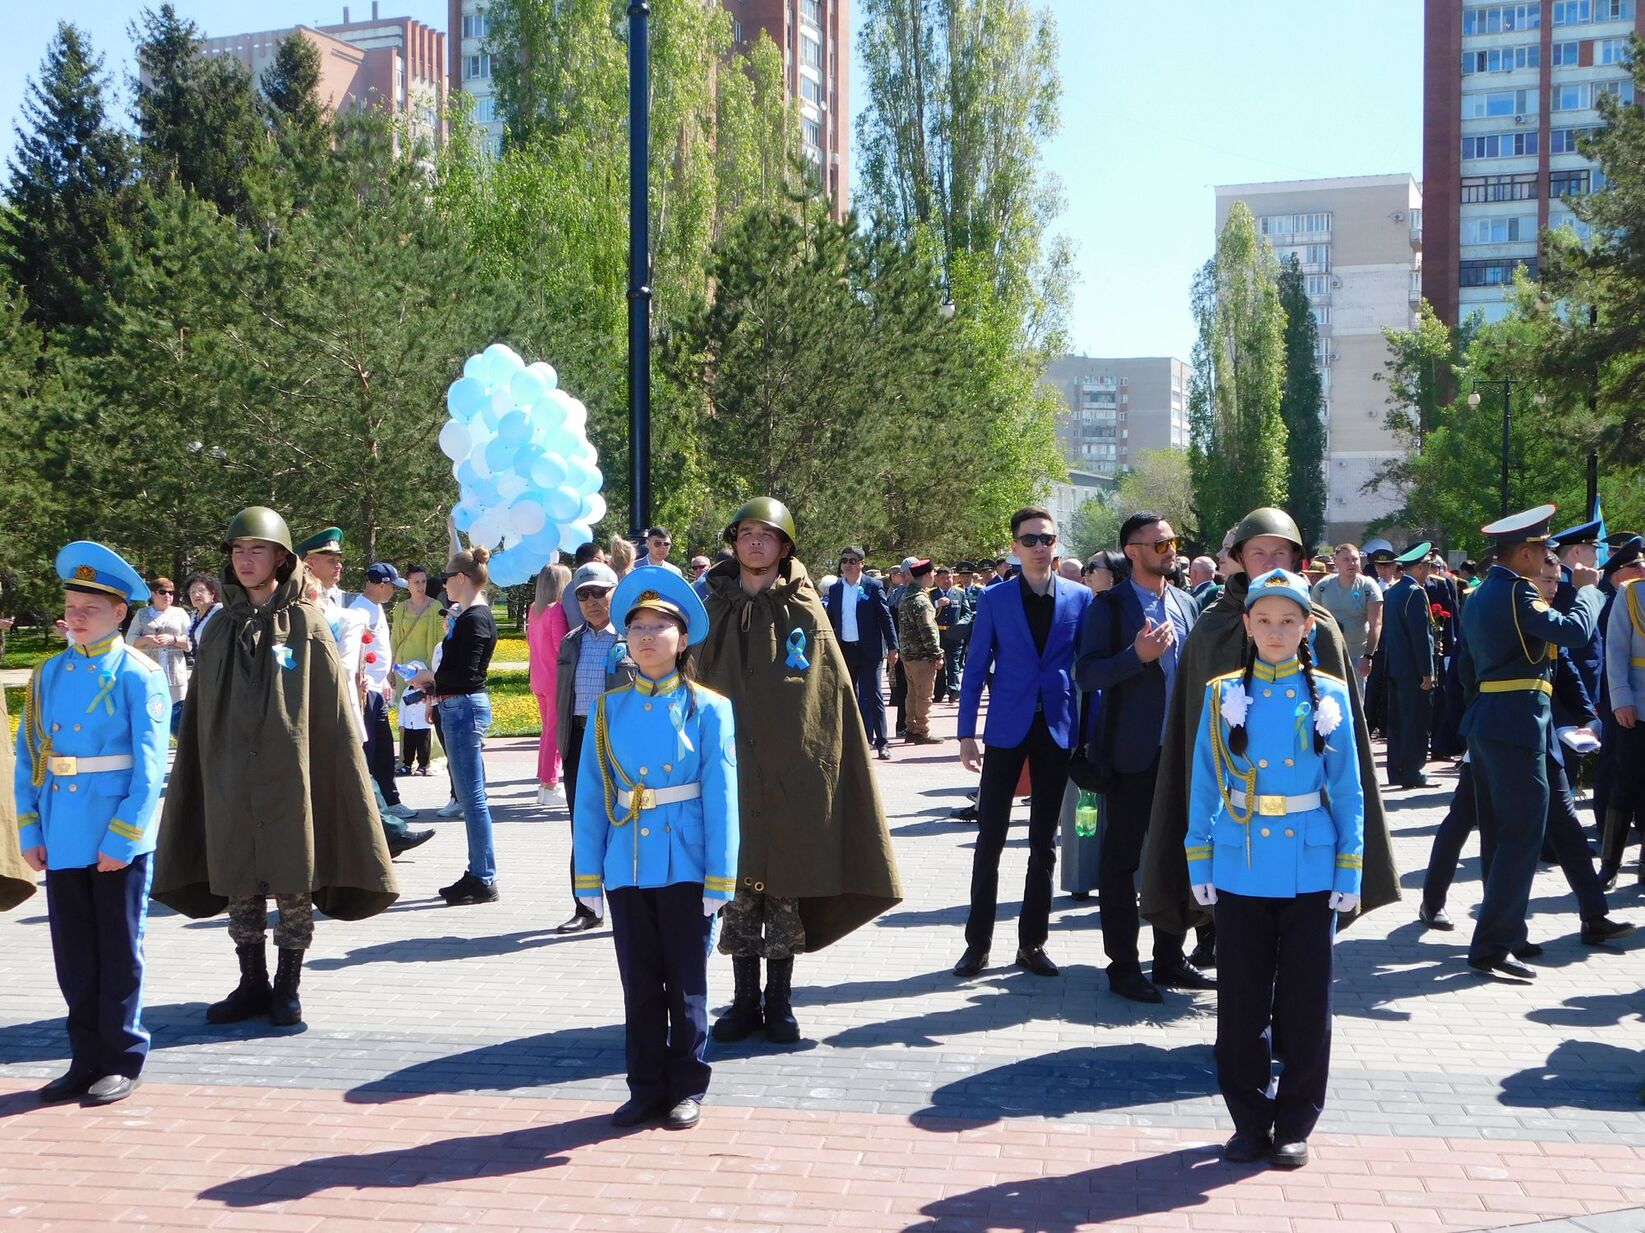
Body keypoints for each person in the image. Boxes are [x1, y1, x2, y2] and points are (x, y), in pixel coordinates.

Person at [154, 507, 397, 1029]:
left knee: (292, 882)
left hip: (292, 778)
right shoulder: (219, 629)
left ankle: (288, 986)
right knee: (239, 884)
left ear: (281, 558)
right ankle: (251, 982)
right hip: (231, 780)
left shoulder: (307, 624)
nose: (245, 560)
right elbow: (202, 711)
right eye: (237, 550)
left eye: (256, 550)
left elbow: (329, 711)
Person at [1140, 507, 1400, 951]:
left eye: (1280, 551)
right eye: (1258, 552)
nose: (1269, 560)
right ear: (1240, 557)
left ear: (1297, 558)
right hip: (1235, 815)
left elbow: (1345, 767)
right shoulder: (1213, 625)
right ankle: (1202, 934)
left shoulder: (1319, 625)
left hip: (1303, 827)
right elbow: (1196, 751)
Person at [696, 497, 901, 1045]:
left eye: (767, 535)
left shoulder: (807, 608)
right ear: (734, 541)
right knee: (739, 894)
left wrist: (824, 767)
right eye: (745, 534)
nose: (755, 543)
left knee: (786, 892)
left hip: (792, 774)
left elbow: (830, 696)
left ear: (785, 546)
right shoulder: (710, 605)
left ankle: (779, 1003)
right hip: (730, 773)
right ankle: (742, 1003)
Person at [1186, 568, 1364, 1170]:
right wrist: (1199, 854)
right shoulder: (1221, 694)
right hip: (1242, 865)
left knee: (1306, 1003)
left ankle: (1294, 1124)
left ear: (1308, 626)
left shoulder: (1331, 694)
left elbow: (1349, 791)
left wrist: (1350, 870)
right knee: (1240, 1001)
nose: (1276, 630)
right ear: (1247, 625)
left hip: (1310, 867)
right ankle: (1247, 1120)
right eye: (1264, 620)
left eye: (1289, 620)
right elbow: (1205, 782)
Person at [572, 566, 737, 1131]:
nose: (646, 637)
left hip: (686, 858)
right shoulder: (608, 708)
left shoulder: (708, 707)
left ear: (683, 637)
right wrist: (587, 877)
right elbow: (592, 797)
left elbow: (721, 796)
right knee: (639, 986)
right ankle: (643, 1087)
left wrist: (722, 876)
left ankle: (687, 1085)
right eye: (637, 626)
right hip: (628, 861)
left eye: (660, 626)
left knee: (687, 984)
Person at [14, 542, 170, 1105]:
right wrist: (30, 829)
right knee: (74, 953)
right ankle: (83, 1057)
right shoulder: (50, 672)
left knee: (119, 949)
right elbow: (29, 753)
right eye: (72, 607)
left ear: (120, 613)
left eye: (90, 609)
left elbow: (150, 769)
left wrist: (123, 837)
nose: (76, 617)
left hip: (112, 831)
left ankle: (121, 1056)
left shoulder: (138, 674)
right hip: (63, 829)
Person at [1420, 549, 1633, 946]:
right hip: (1501, 730)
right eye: (1547, 581)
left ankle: (1593, 914)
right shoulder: (1513, 602)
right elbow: (1466, 671)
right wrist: (1477, 726)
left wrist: (1587, 715)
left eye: (1556, 582)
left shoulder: (1523, 608)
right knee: (1471, 823)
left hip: (1535, 731)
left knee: (1565, 825)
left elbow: (1562, 666)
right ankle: (1443, 905)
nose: (1553, 589)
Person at [1075, 512, 1214, 1003]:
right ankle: (1123, 966)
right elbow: (1087, 674)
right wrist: (1136, 657)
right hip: (1131, 757)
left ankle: (1170, 960)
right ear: (1132, 551)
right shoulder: (1108, 608)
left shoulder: (1184, 602)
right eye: (1160, 543)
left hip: (1180, 756)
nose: (1170, 548)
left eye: (1172, 541)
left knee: (1177, 857)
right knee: (1121, 862)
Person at [1460, 505, 1603, 979]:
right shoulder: (1520, 591)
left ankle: (1509, 932)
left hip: (1490, 723)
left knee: (1500, 838)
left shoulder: (1483, 594)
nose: (1547, 560)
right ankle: (1491, 946)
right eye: (1542, 550)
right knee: (1521, 838)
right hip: (1517, 726)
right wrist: (1587, 593)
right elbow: (1576, 633)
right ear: (1523, 553)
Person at [954, 506, 1093, 979]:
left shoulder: (1079, 598)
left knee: (1044, 844)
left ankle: (1032, 943)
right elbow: (974, 670)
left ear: (1057, 546)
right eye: (1030, 539)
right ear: (1014, 547)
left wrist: (1087, 734)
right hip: (1007, 728)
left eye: (1047, 539)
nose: (1039, 547)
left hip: (1056, 730)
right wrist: (966, 734)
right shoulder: (994, 599)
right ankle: (977, 945)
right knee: (989, 839)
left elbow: (1088, 674)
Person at [409, 547, 500, 906]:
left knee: (472, 799)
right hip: (458, 706)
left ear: (461, 578)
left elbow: (465, 673)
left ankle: (482, 876)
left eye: (446, 578)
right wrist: (434, 687)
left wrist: (430, 678)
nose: (443, 584)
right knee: (471, 797)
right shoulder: (468, 616)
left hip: (463, 708)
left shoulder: (475, 618)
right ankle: (480, 872)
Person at [555, 562, 638, 932]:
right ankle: (585, 907)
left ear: (614, 593)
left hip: (620, 745)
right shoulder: (571, 641)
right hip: (578, 741)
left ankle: (631, 906)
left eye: (598, 592)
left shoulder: (631, 639)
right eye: (582, 594)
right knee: (583, 826)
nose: (590, 601)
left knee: (626, 824)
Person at [350, 563, 417, 819]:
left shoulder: (375, 607)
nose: (393, 591)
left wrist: (385, 678)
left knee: (385, 748)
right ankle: (376, 803)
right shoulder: (359, 611)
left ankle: (390, 799)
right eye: (391, 586)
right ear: (380, 585)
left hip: (378, 687)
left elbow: (377, 651)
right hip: (366, 690)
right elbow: (356, 651)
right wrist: (361, 680)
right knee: (372, 749)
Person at [823, 546, 898, 760]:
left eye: (853, 561)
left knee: (873, 694)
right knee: (849, 695)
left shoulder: (872, 586)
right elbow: (831, 620)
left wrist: (893, 646)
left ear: (862, 564)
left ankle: (883, 742)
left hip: (870, 650)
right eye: (845, 560)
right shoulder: (836, 589)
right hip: (846, 649)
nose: (848, 564)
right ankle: (858, 740)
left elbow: (885, 617)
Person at [1601, 540, 1645, 884]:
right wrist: (1620, 698)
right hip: (1638, 703)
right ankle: (1610, 865)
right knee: (1626, 784)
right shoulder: (1631, 594)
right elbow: (1615, 650)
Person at [1380, 542, 1437, 789]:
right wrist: (1428, 671)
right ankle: (1413, 771)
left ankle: (1397, 771)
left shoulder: (1392, 592)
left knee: (1397, 723)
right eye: (1427, 566)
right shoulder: (1415, 592)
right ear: (1420, 567)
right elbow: (1420, 635)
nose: (1429, 571)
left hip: (1395, 666)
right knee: (1415, 722)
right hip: (1413, 669)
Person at [527, 563, 572, 805]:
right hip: (556, 678)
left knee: (547, 732)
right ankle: (550, 783)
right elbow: (561, 646)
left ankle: (544, 783)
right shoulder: (556, 610)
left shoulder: (534, 609)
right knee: (555, 732)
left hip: (539, 678)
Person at [391, 564, 443, 775]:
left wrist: (435, 669)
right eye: (416, 582)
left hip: (427, 668)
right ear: (408, 585)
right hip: (404, 668)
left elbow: (441, 640)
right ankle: (405, 759)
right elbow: (394, 639)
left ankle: (430, 759)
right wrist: (391, 668)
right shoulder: (401, 608)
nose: (420, 586)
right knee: (406, 714)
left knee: (427, 712)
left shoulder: (435, 606)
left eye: (423, 581)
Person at [1310, 545, 1382, 694]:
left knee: (1357, 698)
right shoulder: (1323, 586)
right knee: (1329, 696)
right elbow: (1312, 620)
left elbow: (1376, 623)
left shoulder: (1368, 587)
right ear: (1335, 562)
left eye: (1355, 559)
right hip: (1328, 651)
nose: (1351, 563)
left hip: (1357, 653)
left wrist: (1368, 656)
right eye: (1346, 559)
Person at [126, 575, 191, 731]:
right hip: (149, 671)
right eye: (163, 592)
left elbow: (192, 640)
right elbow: (129, 640)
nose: (168, 596)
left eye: (171, 592)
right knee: (151, 708)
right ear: (153, 594)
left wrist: (173, 640)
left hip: (175, 673)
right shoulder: (142, 614)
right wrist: (146, 639)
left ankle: (180, 746)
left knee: (178, 712)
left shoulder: (180, 613)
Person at [898, 559, 944, 744]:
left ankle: (911, 728)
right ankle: (922, 731)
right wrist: (937, 654)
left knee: (912, 694)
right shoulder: (921, 601)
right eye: (932, 574)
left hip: (908, 656)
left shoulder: (906, 597)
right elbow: (928, 630)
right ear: (926, 575)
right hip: (922, 656)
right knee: (924, 696)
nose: (934, 577)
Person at [183, 572, 223, 667]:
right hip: (201, 664)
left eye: (201, 590)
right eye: (192, 592)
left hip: (219, 664)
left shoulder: (220, 611)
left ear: (212, 593)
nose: (196, 594)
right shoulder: (195, 614)